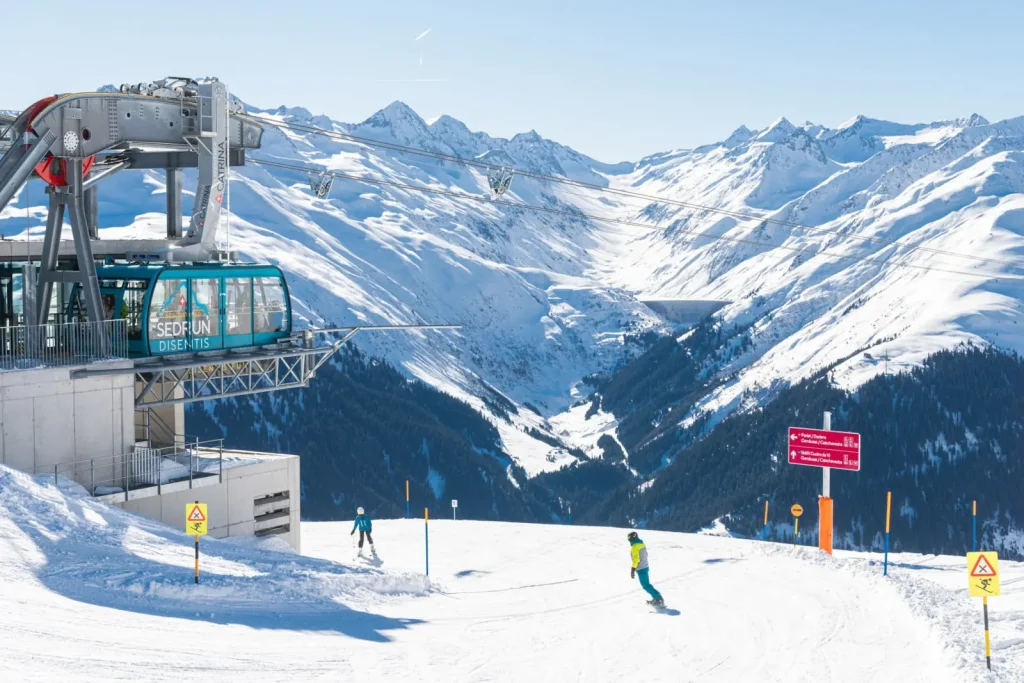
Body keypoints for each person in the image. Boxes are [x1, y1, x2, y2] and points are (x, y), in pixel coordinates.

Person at [628, 531, 664, 606]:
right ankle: (655, 597)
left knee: (646, 585)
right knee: (647, 584)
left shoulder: (634, 547)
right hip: (645, 566)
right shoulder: (642, 544)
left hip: (641, 568)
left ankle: (659, 598)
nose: (629, 540)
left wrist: (633, 569)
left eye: (629, 538)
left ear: (633, 538)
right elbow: (646, 554)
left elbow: (636, 559)